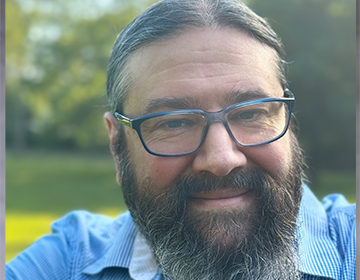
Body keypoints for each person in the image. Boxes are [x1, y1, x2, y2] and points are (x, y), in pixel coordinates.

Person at [6, 0, 356, 279]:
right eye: (173, 123)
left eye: (249, 113)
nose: (221, 160)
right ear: (117, 146)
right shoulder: (68, 262)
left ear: (288, 122)